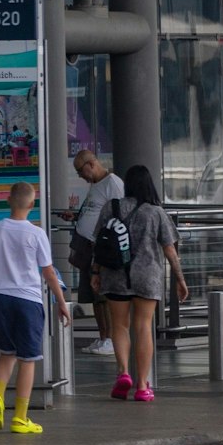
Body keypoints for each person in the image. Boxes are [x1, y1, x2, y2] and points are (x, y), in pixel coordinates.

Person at [0, 181, 69, 434]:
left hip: (1, 299)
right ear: (32, 205)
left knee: (6, 353)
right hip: (29, 301)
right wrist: (61, 302)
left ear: (8, 200)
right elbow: (48, 273)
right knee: (28, 360)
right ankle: (20, 418)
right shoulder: (36, 234)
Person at [98, 165, 188, 402]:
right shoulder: (156, 212)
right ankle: (141, 386)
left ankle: (123, 373)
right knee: (143, 326)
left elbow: (99, 240)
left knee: (119, 326)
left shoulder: (111, 207)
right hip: (147, 276)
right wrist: (180, 279)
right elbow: (170, 249)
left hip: (115, 274)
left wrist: (94, 272)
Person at [57, 150, 125, 357]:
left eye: (80, 171)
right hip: (86, 246)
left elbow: (116, 214)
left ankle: (112, 339)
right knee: (95, 297)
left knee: (103, 295)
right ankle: (103, 336)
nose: (80, 176)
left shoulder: (112, 183)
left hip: (99, 247)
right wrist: (76, 216)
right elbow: (94, 212)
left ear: (91, 164)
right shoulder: (96, 186)